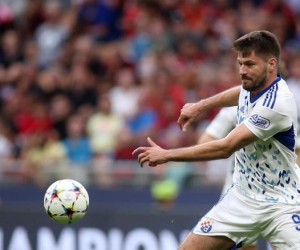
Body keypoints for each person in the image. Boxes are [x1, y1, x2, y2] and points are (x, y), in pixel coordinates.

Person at [133, 30, 300, 249]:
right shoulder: (253, 88)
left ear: (271, 64)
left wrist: (167, 155)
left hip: (282, 205)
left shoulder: (277, 104)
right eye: (240, 64)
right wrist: (200, 106)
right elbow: (239, 93)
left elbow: (226, 147)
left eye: (249, 64)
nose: (242, 71)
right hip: (242, 200)